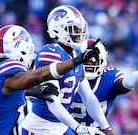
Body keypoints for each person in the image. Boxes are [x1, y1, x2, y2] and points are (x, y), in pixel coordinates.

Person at [0, 24, 100, 135]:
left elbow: (2, 93)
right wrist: (76, 60)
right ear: (21, 49)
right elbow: (37, 75)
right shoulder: (9, 68)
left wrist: (32, 91)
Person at [20, 5, 113, 135]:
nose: (79, 32)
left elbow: (89, 97)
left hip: (61, 126)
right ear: (58, 30)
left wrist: (106, 127)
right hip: (40, 127)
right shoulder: (51, 53)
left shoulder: (77, 53)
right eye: (74, 28)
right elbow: (51, 101)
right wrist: (77, 127)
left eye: (80, 28)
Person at [69, 39, 138, 128]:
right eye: (86, 60)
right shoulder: (68, 76)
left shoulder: (109, 77)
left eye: (94, 60)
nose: (89, 64)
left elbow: (126, 84)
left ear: (103, 60)